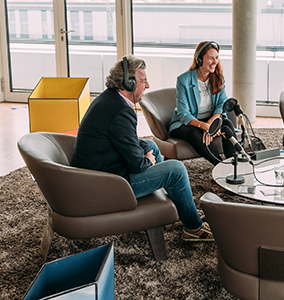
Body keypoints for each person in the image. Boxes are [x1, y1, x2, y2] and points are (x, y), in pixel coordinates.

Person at [71, 55, 213, 242]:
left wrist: (146, 151)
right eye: (143, 81)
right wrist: (149, 160)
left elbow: (127, 140)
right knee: (176, 170)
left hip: (102, 171)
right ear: (128, 83)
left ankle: (175, 208)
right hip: (106, 184)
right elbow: (138, 165)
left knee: (152, 146)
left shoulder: (110, 100)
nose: (147, 86)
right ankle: (193, 228)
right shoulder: (120, 111)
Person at [168, 41, 235, 165]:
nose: (215, 62)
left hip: (209, 119)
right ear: (199, 59)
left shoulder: (218, 77)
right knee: (195, 133)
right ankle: (220, 166)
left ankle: (234, 164)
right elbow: (183, 114)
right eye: (210, 58)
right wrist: (202, 126)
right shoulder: (183, 80)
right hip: (186, 123)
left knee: (227, 124)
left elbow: (221, 104)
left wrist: (210, 124)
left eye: (216, 57)